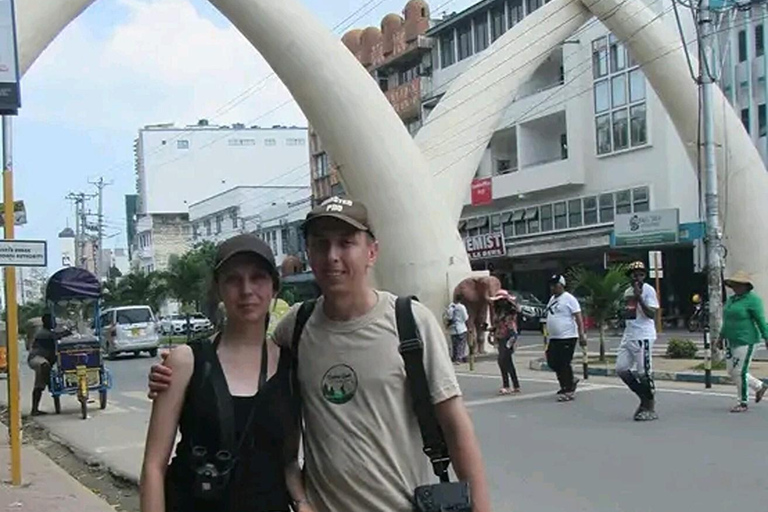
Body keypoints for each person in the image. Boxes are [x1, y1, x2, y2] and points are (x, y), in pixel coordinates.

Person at [148, 197, 491, 512]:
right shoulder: (297, 328)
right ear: (309, 255)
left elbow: (456, 428)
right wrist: (177, 367)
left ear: (372, 251)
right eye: (321, 244)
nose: (332, 256)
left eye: (346, 243)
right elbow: (240, 346)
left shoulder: (411, 324)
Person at [140, 234, 300, 512]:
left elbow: (287, 460)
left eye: (258, 277)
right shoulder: (185, 362)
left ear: (274, 287)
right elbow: (154, 466)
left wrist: (303, 502)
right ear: (218, 289)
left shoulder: (290, 366)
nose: (246, 289)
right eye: (233, 279)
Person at [717, 271, 768, 413]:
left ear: (746, 286)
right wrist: (721, 337)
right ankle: (759, 386)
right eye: (734, 284)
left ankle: (743, 402)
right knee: (731, 371)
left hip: (746, 339)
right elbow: (726, 321)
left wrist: (766, 337)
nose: (735, 287)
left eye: (739, 285)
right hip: (731, 340)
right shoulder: (731, 300)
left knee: (740, 371)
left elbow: (761, 321)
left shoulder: (753, 300)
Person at [615, 261, 660, 421]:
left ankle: (650, 405)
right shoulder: (627, 292)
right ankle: (643, 396)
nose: (637, 277)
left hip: (643, 335)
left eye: (641, 274)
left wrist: (639, 296)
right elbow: (628, 314)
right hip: (629, 334)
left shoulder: (648, 290)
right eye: (634, 274)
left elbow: (651, 314)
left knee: (644, 373)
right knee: (621, 369)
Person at [544, 275, 587, 402]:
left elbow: (578, 317)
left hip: (567, 336)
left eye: (555, 285)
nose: (553, 288)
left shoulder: (569, 299)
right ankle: (568, 382)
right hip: (554, 337)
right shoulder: (552, 299)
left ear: (562, 285)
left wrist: (582, 334)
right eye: (551, 285)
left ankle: (568, 389)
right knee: (552, 361)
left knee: (564, 363)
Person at [27, 313, 70, 416]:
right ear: (47, 322)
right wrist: (67, 332)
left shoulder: (48, 332)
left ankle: (50, 387)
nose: (54, 323)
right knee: (43, 372)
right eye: (52, 321)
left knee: (52, 375)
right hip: (36, 359)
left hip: (46, 360)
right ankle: (35, 409)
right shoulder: (42, 333)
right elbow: (56, 337)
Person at [490, 289, 520, 395]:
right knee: (507, 362)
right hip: (500, 337)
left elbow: (518, 310)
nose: (500, 302)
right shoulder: (498, 312)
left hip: (510, 336)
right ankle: (515, 385)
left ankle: (507, 385)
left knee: (502, 360)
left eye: (502, 300)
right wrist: (490, 330)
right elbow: (497, 325)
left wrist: (509, 300)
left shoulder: (510, 311)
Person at [445, 298, 469, 363]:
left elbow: (448, 317)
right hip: (461, 328)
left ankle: (454, 357)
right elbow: (465, 317)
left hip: (453, 329)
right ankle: (459, 358)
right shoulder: (461, 307)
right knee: (461, 344)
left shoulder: (450, 307)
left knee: (455, 344)